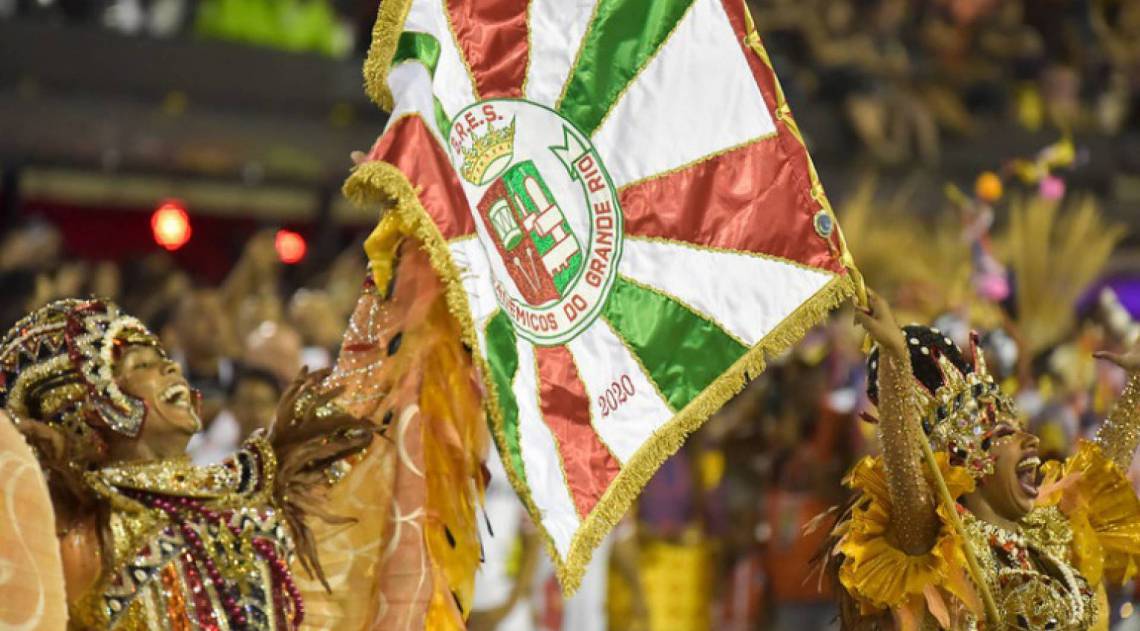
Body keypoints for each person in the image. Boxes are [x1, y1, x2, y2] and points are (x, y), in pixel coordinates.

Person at [1, 298, 374, 629]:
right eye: (142, 364)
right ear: (90, 403)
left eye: (164, 358)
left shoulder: (254, 484)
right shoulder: (88, 533)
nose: (169, 369)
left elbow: (366, 411)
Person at [822, 290, 1140, 629]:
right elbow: (904, 479)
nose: (1030, 439)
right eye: (1006, 433)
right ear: (971, 459)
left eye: (1019, 427)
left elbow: (1101, 477)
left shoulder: (1050, 530)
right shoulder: (944, 548)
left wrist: (1137, 389)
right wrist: (895, 361)